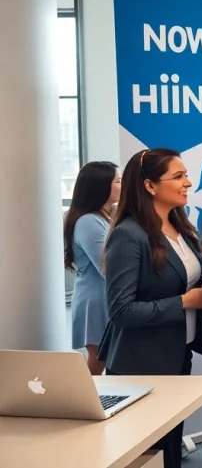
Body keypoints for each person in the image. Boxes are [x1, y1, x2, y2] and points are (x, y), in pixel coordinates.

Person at [98, 148, 202, 468]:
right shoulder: (128, 234)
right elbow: (121, 311)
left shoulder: (182, 228)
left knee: (171, 445)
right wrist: (184, 302)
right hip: (141, 363)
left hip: (178, 354)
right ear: (149, 186)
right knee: (150, 454)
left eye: (186, 174)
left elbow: (185, 284)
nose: (188, 182)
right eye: (178, 176)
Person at [64, 160, 120, 375]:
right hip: (96, 300)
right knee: (97, 361)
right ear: (101, 186)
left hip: (103, 296)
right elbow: (107, 266)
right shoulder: (89, 221)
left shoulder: (104, 217)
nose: (122, 186)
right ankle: (84, 405)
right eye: (118, 181)